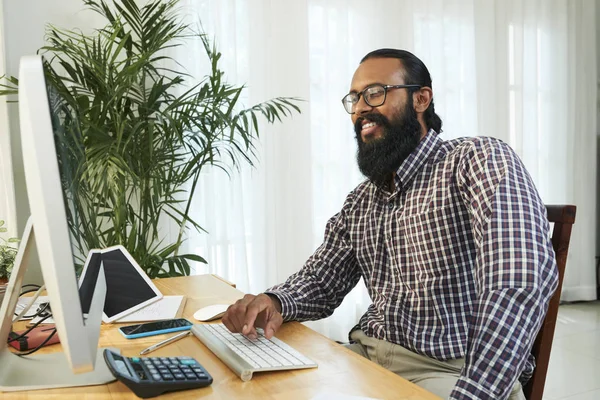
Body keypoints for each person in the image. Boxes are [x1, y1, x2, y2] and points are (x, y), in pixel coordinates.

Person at [222, 48, 557, 400]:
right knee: (251, 388)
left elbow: (519, 278)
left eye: (375, 93)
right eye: (354, 98)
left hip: (452, 371)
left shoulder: (477, 159)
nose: (361, 108)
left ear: (421, 98)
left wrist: (474, 393)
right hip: (367, 356)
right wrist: (274, 301)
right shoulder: (360, 200)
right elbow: (321, 282)